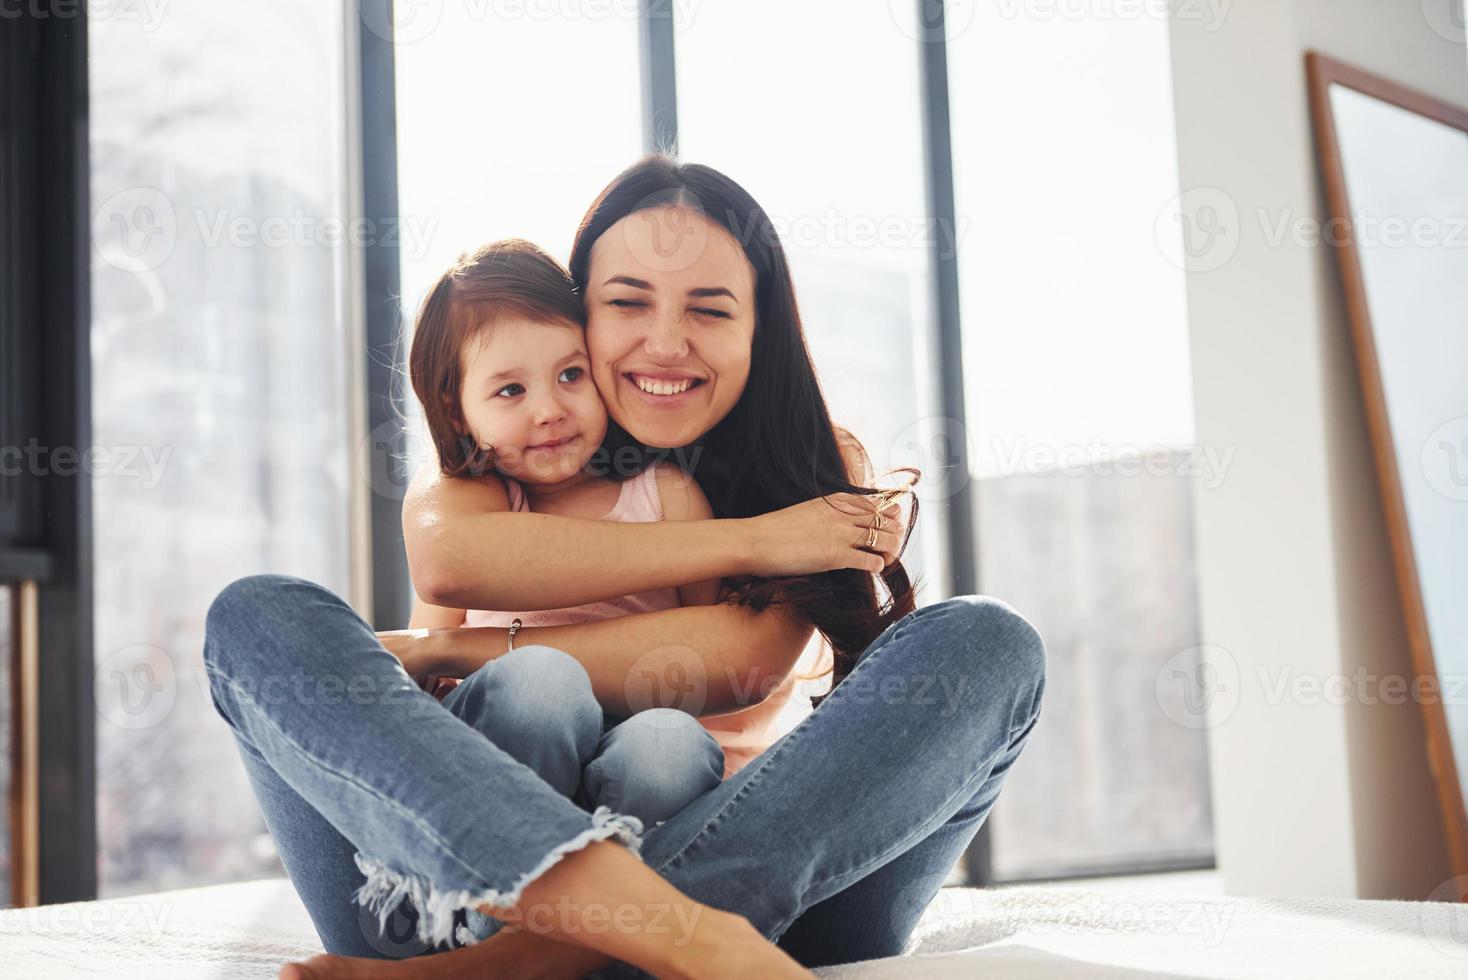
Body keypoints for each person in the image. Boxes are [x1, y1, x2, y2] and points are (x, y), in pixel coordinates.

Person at [202, 156, 1045, 980]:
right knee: (261, 616)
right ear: (579, 313)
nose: (667, 343)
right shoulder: (498, 452)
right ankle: (674, 940)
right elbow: (455, 560)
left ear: (762, 329)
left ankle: (531, 959)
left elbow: (735, 661)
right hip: (438, 896)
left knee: (987, 642)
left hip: (753, 880)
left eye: (710, 310)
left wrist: (447, 654)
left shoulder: (811, 473)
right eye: (627, 302)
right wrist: (758, 541)